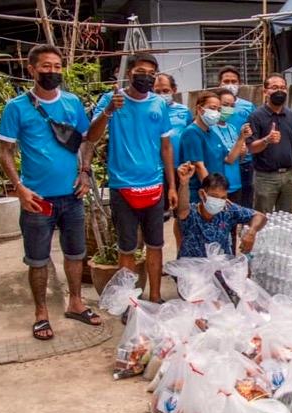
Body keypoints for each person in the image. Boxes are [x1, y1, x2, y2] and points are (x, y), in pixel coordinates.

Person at [0, 44, 101, 340]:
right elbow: (4, 150)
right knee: (38, 259)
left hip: (72, 196)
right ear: (31, 69)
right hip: (37, 199)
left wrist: (84, 172)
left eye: (56, 66)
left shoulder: (72, 102)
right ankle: (41, 313)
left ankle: (76, 303)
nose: (52, 71)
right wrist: (19, 188)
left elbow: (86, 141)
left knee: (75, 253)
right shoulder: (16, 107)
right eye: (45, 66)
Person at [86, 53, 177, 304]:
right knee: (126, 248)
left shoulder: (159, 104)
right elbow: (91, 136)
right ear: (129, 73)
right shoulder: (112, 100)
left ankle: (156, 297)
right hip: (123, 186)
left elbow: (166, 147)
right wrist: (108, 111)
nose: (145, 77)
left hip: (154, 185)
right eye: (140, 72)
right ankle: (129, 303)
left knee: (156, 245)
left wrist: (171, 185)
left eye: (151, 73)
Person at [176, 167, 267, 258]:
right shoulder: (191, 213)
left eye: (223, 197)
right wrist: (184, 182)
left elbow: (260, 217)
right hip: (192, 267)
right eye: (214, 196)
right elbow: (182, 211)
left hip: (220, 265)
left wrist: (251, 232)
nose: (218, 201)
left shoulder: (227, 210)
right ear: (202, 194)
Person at [246, 73, 292, 213]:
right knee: (262, 217)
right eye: (274, 87)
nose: (279, 91)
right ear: (265, 91)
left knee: (286, 218)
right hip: (265, 177)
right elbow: (251, 147)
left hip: (288, 175)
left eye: (283, 87)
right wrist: (267, 140)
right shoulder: (256, 116)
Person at [218, 66, 257, 208]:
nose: (230, 84)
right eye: (226, 81)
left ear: (239, 84)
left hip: (244, 161)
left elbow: (254, 131)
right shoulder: (213, 106)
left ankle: (244, 228)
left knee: (245, 199)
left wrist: (247, 145)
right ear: (219, 84)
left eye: (234, 81)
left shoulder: (248, 106)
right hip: (222, 162)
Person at [178, 91, 224, 203]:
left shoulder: (211, 131)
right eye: (213, 108)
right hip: (201, 193)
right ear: (200, 109)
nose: (216, 113)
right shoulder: (192, 133)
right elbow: (199, 166)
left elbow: (225, 158)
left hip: (216, 188)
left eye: (219, 110)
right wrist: (212, 194)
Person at [154, 73, 193, 169]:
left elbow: (190, 136)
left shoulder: (184, 110)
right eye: (157, 92)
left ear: (174, 90)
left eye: (166, 91)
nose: (161, 95)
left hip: (180, 165)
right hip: (157, 167)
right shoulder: (149, 111)